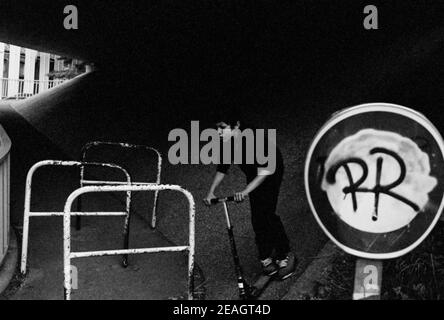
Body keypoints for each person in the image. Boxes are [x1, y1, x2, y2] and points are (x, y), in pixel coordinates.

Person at [204, 114, 296, 280]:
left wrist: (246, 191)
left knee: (267, 212)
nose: (218, 132)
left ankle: (285, 254)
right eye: (217, 128)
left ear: (236, 125)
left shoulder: (254, 138)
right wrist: (211, 192)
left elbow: (265, 171)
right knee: (257, 216)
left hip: (270, 171)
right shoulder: (227, 141)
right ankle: (265, 255)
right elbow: (222, 168)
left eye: (222, 127)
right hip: (253, 173)